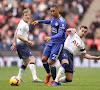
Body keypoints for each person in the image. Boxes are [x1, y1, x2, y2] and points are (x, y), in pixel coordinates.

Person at [32, 5, 66, 86]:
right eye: (51, 11)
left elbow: (61, 34)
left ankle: (54, 80)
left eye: (53, 11)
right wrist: (39, 21)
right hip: (51, 42)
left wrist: (50, 37)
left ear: (58, 10)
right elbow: (48, 21)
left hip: (58, 43)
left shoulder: (62, 21)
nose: (52, 13)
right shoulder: (52, 18)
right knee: (43, 59)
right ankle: (48, 74)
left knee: (51, 62)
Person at [10, 8, 43, 82]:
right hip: (22, 45)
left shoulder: (22, 22)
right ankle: (35, 78)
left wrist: (14, 42)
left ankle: (18, 78)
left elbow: (16, 31)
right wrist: (27, 41)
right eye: (26, 15)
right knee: (32, 59)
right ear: (22, 16)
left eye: (29, 15)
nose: (28, 16)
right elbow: (18, 35)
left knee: (25, 62)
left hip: (20, 44)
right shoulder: (23, 24)